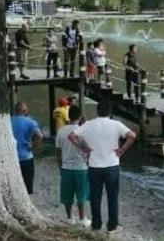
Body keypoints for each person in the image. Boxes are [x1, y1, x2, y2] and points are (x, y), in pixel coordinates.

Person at [68, 99, 137, 234]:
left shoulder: (89, 124)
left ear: (97, 111)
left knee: (95, 196)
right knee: (112, 197)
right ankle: (112, 226)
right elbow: (132, 135)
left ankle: (96, 224)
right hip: (112, 165)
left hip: (94, 166)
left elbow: (71, 136)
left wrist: (84, 148)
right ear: (109, 112)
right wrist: (122, 150)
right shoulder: (116, 124)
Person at [56, 105, 91, 227]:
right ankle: (82, 218)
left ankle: (70, 217)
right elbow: (88, 150)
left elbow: (58, 152)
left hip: (66, 167)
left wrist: (60, 167)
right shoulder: (83, 130)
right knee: (82, 194)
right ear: (80, 117)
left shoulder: (61, 131)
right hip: (81, 167)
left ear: (68, 116)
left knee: (67, 195)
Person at [10, 101, 43, 194]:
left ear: (15, 111)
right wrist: (34, 146)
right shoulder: (30, 122)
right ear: (25, 111)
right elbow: (40, 136)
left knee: (14, 186)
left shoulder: (8, 122)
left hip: (12, 158)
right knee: (28, 185)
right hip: (26, 157)